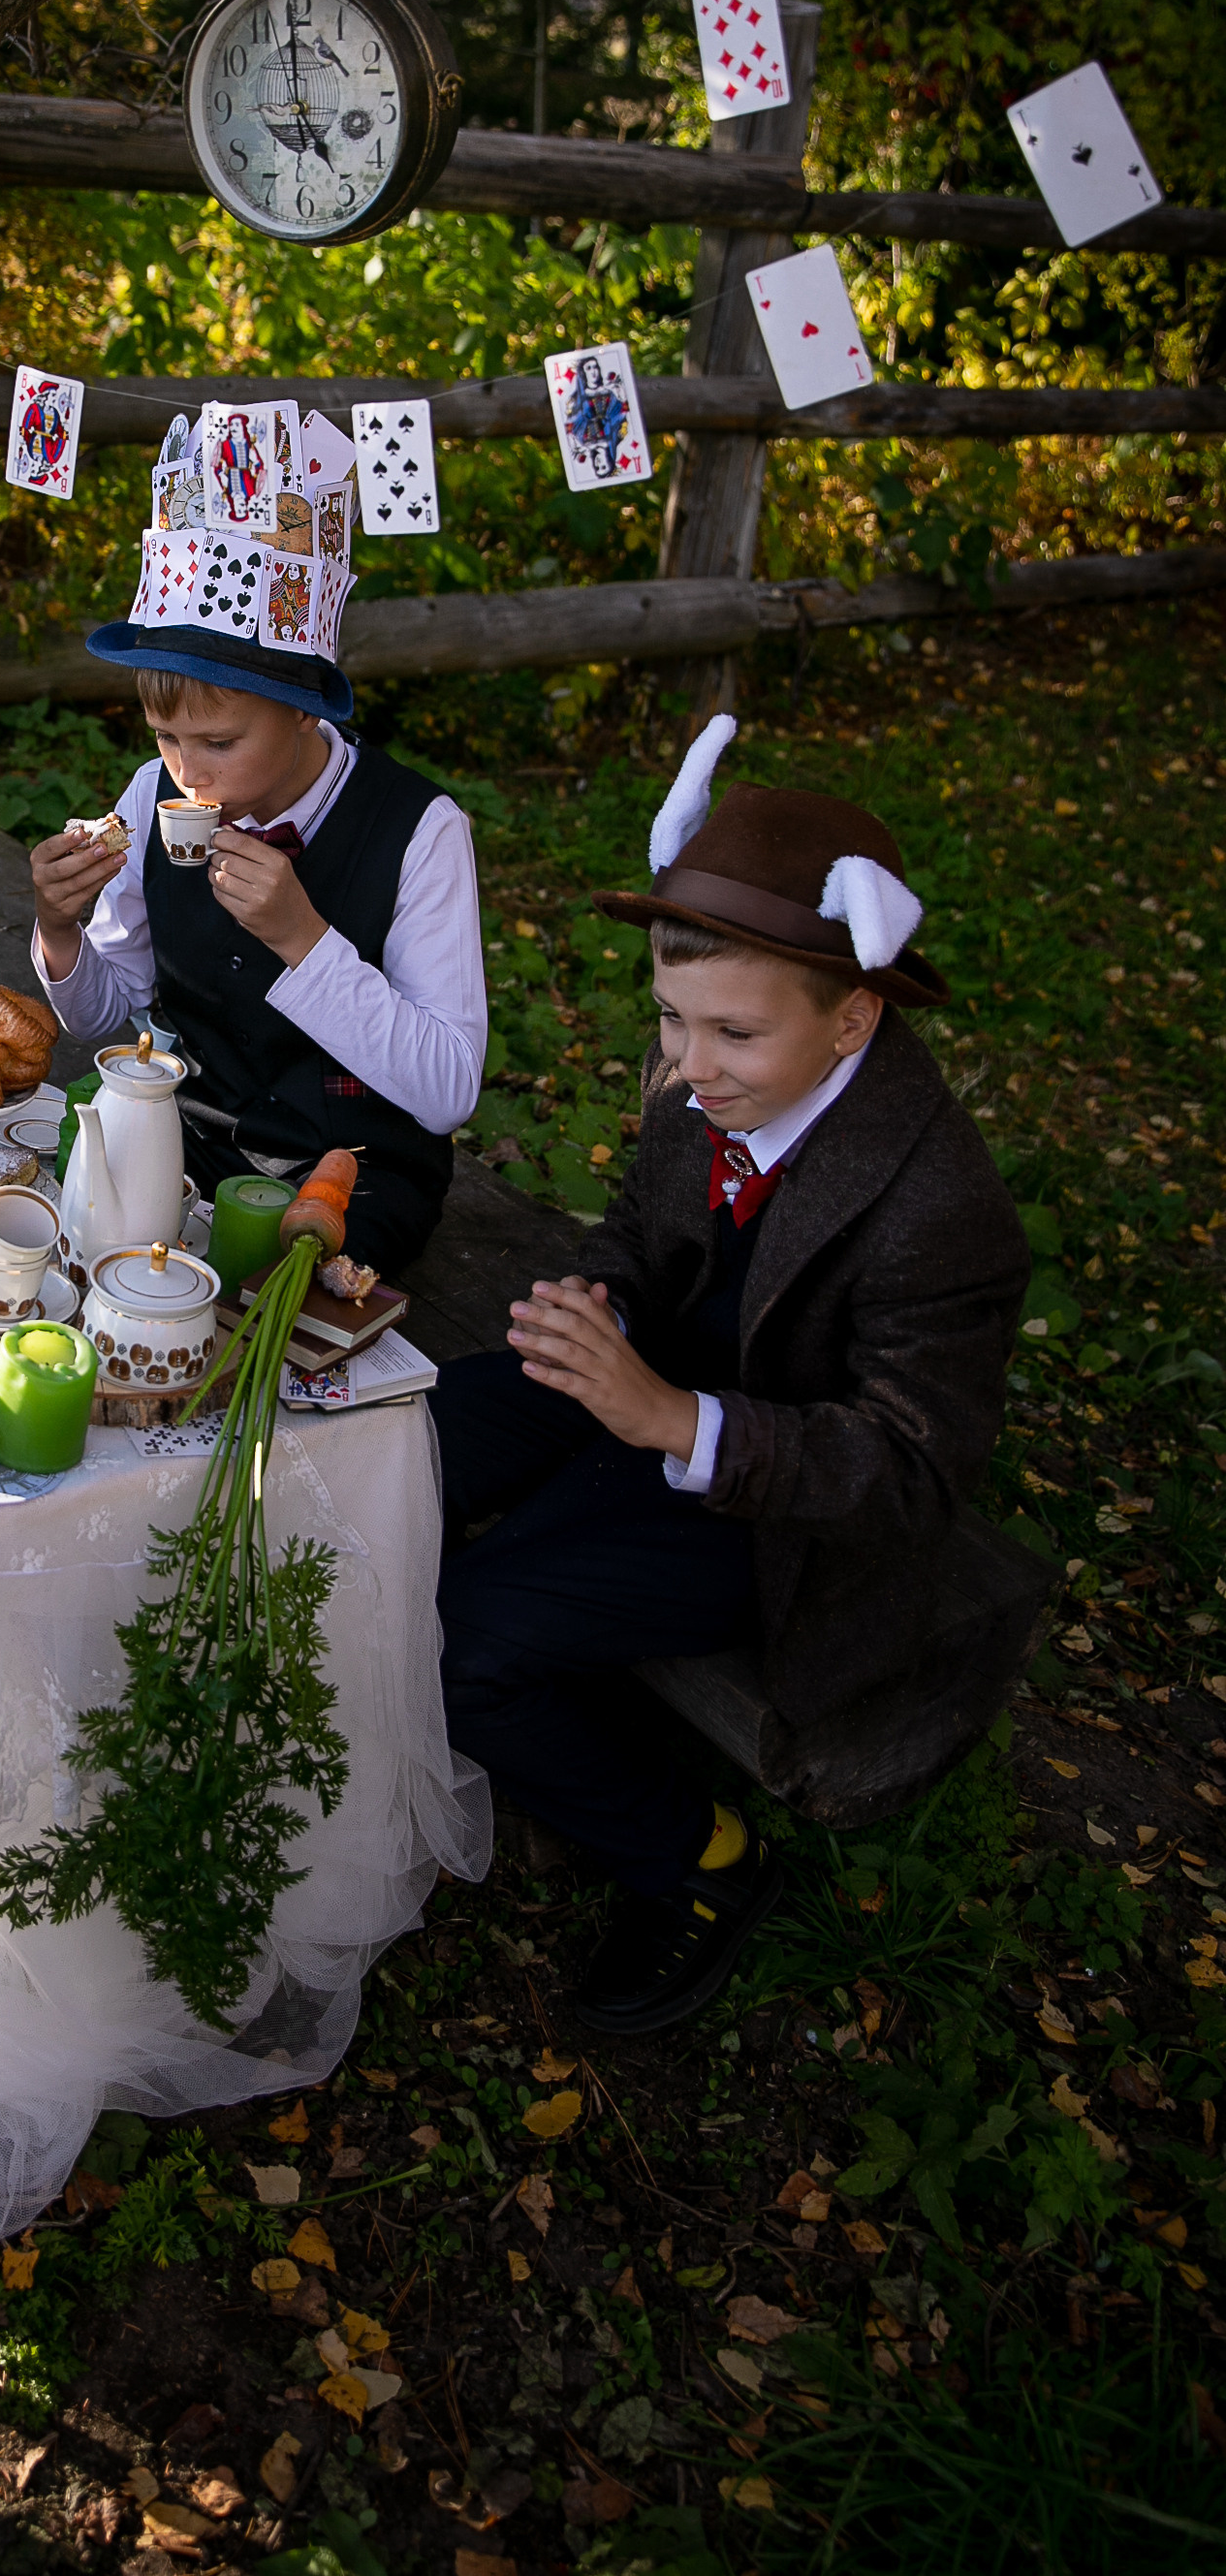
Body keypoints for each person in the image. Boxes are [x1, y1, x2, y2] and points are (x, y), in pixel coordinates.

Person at [430, 716, 1030, 2033]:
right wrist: (606, 1300)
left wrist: (671, 1420)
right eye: (670, 1019)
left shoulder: (938, 1210)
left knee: (468, 1630)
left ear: (854, 1014)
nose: (688, 1068)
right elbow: (643, 1233)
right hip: (649, 1389)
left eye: (733, 1036)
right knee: (396, 1454)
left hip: (778, 1509)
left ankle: (697, 1861)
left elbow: (912, 1473)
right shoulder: (712, 1080)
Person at [28, 615, 487, 1278]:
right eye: (165, 737)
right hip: (188, 1138)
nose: (187, 773)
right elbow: (102, 1015)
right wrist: (60, 927)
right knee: (76, 1256)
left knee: (268, 1320)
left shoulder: (419, 829)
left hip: (350, 1176)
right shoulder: (150, 790)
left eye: (219, 741)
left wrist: (304, 940)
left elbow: (448, 1089)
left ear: (304, 708)